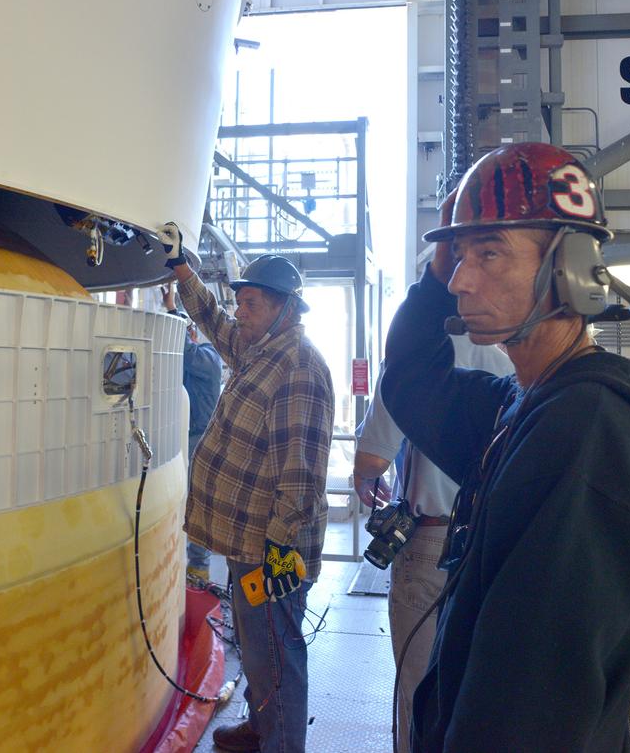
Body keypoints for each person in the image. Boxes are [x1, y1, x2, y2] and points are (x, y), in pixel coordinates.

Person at [379, 142, 630, 752]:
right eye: (458, 257)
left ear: (570, 268)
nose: (462, 280)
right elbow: (413, 382)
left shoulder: (583, 435)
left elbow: (536, 702)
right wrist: (431, 278)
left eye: (489, 253)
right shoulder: (521, 406)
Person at [159, 224, 334, 753]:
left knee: (276, 655)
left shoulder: (299, 369)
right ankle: (261, 731)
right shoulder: (260, 348)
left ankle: (280, 746)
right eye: (242, 302)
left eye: (251, 303)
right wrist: (183, 268)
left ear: (286, 308)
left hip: (270, 550)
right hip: (245, 545)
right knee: (257, 649)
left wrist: (274, 555)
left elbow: (301, 476)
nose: (241, 313)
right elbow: (212, 320)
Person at [352, 337, 515, 753]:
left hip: (430, 539)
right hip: (492, 541)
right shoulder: (509, 363)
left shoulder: (413, 361)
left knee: (419, 690)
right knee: (476, 689)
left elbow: (372, 461)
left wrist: (366, 477)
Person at [161, 283, 223, 583]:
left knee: (196, 504)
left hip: (199, 440)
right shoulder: (189, 359)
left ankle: (199, 570)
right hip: (179, 437)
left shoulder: (208, 359)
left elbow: (185, 351)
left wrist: (172, 308)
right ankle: (176, 563)